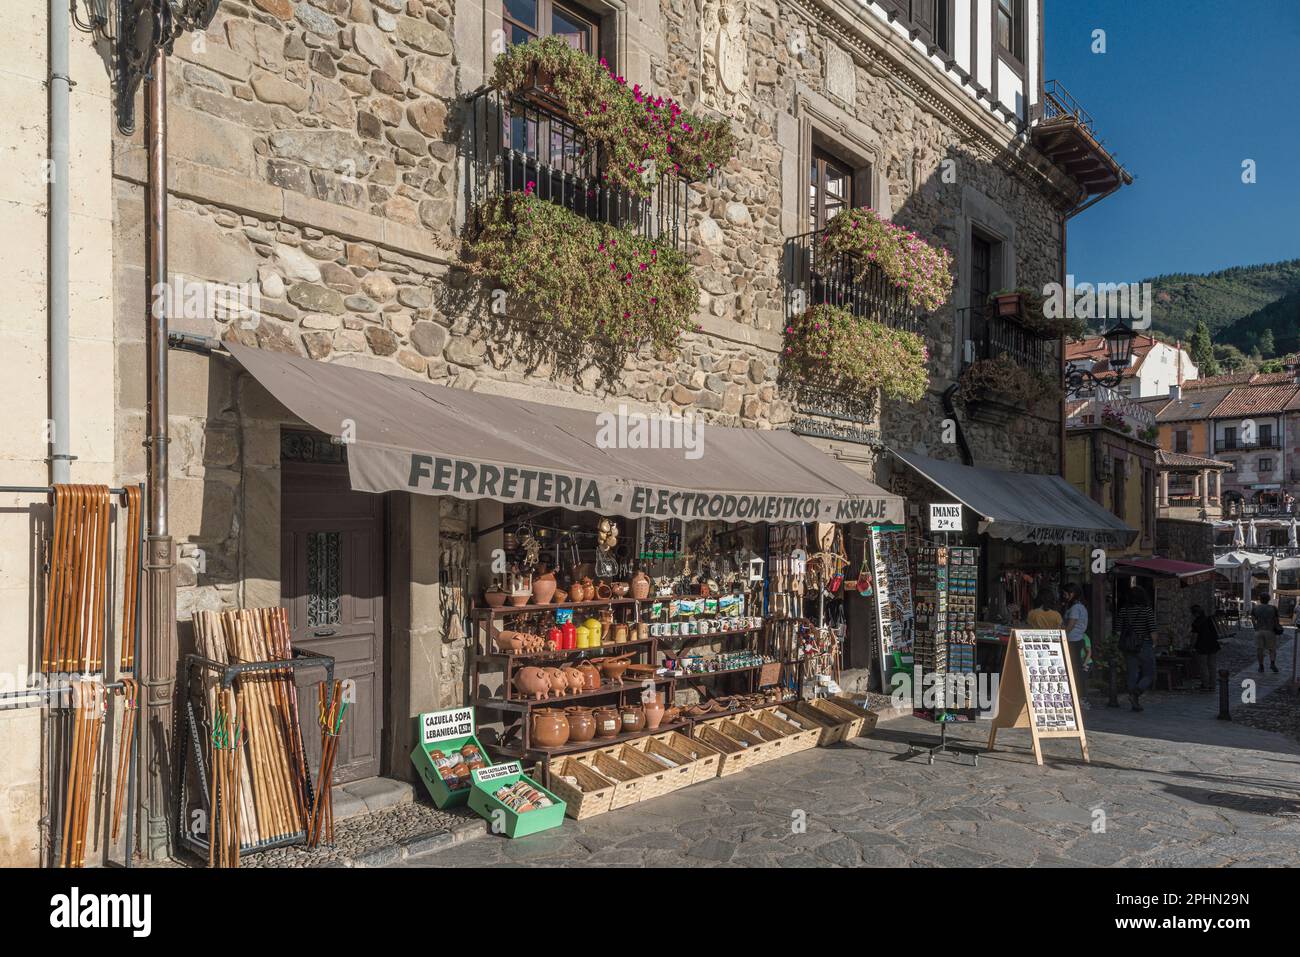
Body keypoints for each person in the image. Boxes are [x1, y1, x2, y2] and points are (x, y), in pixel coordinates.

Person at [1116, 586, 1157, 711]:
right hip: (1144, 644)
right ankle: (1137, 692)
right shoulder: (1147, 611)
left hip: (1128, 645)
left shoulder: (1124, 611)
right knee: (1149, 673)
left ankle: (1134, 700)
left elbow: (1118, 630)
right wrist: (1154, 643)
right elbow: (1153, 631)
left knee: (1132, 673)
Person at [1062, 584, 1090, 703]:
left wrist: (1060, 634)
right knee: (1075, 667)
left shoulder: (1075, 608)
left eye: (1065, 594)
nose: (1064, 596)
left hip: (1073, 640)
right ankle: (1079, 695)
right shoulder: (1080, 607)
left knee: (1074, 668)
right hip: (1076, 640)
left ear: (1071, 594)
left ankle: (1079, 695)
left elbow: (1070, 625)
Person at [1189, 604, 1221, 692]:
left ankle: (1205, 684)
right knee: (1212, 665)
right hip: (1213, 644)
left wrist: (1191, 646)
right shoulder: (1209, 619)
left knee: (1203, 666)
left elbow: (1194, 636)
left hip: (1202, 646)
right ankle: (1213, 684)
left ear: (1195, 614)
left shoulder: (1196, 623)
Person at [1250, 592, 1281, 674]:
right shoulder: (1273, 608)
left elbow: (1252, 619)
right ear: (1269, 599)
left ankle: (1261, 666)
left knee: (1260, 649)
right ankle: (1272, 663)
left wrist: (1255, 627)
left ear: (1260, 599)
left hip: (1259, 631)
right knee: (1272, 649)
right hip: (1270, 631)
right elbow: (1276, 620)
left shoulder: (1255, 608)